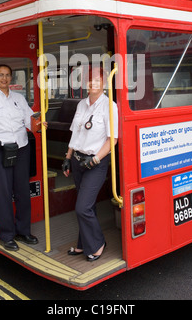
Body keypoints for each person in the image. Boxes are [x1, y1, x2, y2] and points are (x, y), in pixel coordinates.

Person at [0, 64, 40, 251]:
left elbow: (30, 119)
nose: (4, 78)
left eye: (7, 75)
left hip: (21, 149)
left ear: (11, 78)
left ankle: (23, 231)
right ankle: (6, 235)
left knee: (22, 191)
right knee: (3, 194)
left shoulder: (19, 99)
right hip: (0, 151)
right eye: (0, 75)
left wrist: (39, 123)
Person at [62, 65, 118, 262]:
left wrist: (94, 160)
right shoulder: (81, 105)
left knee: (82, 207)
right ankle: (83, 244)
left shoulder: (110, 106)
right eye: (89, 79)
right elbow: (75, 133)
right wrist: (68, 158)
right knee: (88, 206)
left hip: (96, 163)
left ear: (104, 82)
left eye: (97, 79)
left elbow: (113, 140)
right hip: (78, 161)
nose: (92, 82)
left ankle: (97, 244)